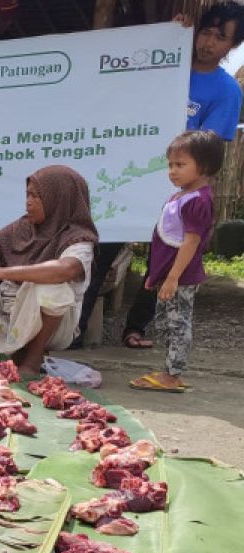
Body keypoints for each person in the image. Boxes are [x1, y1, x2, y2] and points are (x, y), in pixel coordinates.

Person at [84, 2, 244, 349]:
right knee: (103, 249)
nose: (208, 42)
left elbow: (209, 149)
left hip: (176, 186)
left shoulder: (227, 91)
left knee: (164, 258)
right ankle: (76, 329)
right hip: (130, 178)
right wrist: (163, 39)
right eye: (205, 31)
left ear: (232, 47)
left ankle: (136, 328)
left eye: (220, 37)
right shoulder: (166, 62)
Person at [0, 165, 99, 375]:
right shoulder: (22, 227)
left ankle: (32, 360)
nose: (28, 202)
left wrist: (0, 273)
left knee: (52, 287)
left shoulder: (79, 238)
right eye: (27, 194)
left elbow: (65, 269)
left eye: (37, 196)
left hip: (55, 324)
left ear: (59, 199)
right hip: (7, 313)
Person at [129, 131, 224, 392]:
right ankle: (169, 370)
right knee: (165, 323)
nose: (172, 171)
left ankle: (173, 375)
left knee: (178, 324)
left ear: (203, 166)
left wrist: (172, 277)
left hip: (181, 277)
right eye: (170, 165)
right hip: (166, 275)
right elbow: (164, 242)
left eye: (180, 165)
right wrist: (155, 275)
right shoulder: (179, 196)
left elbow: (191, 243)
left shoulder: (198, 201)